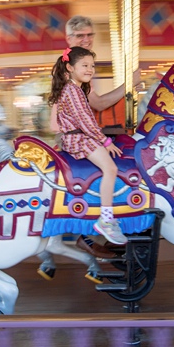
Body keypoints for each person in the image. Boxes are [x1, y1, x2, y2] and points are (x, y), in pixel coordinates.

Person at [49, 46, 129, 245]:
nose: (89, 69)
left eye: (92, 66)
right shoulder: (72, 90)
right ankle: (106, 220)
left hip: (80, 136)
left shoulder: (75, 89)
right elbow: (85, 121)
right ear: (69, 67)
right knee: (110, 168)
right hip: (78, 139)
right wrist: (105, 141)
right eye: (84, 65)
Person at [49, 16, 137, 132]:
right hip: (71, 133)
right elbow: (98, 103)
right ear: (68, 38)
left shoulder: (83, 65)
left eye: (90, 35)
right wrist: (130, 83)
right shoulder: (69, 67)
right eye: (80, 35)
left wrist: (129, 88)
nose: (86, 40)